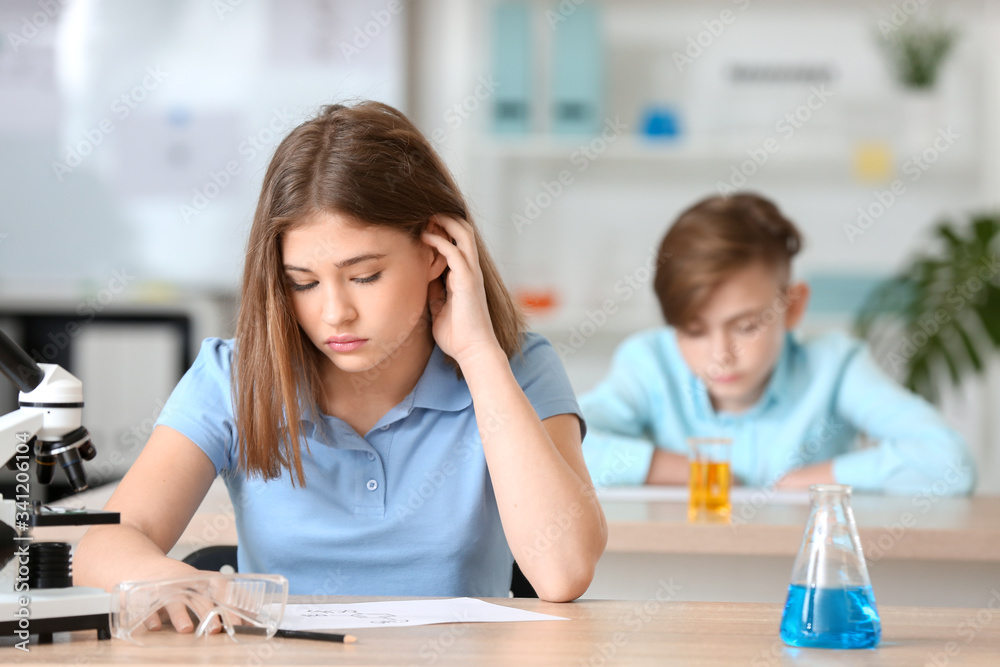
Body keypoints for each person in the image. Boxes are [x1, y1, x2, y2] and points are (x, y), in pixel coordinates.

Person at [75, 101, 607, 615]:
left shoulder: (517, 367)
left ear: (436, 252)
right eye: (302, 283)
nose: (335, 313)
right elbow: (101, 546)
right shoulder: (232, 377)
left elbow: (562, 572)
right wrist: (174, 578)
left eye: (364, 276)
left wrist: (477, 353)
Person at [580, 192, 976, 495]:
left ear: (791, 307)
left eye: (746, 326)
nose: (720, 355)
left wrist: (813, 483)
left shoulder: (834, 366)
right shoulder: (648, 362)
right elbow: (558, 448)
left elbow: (949, 462)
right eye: (694, 331)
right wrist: (702, 473)